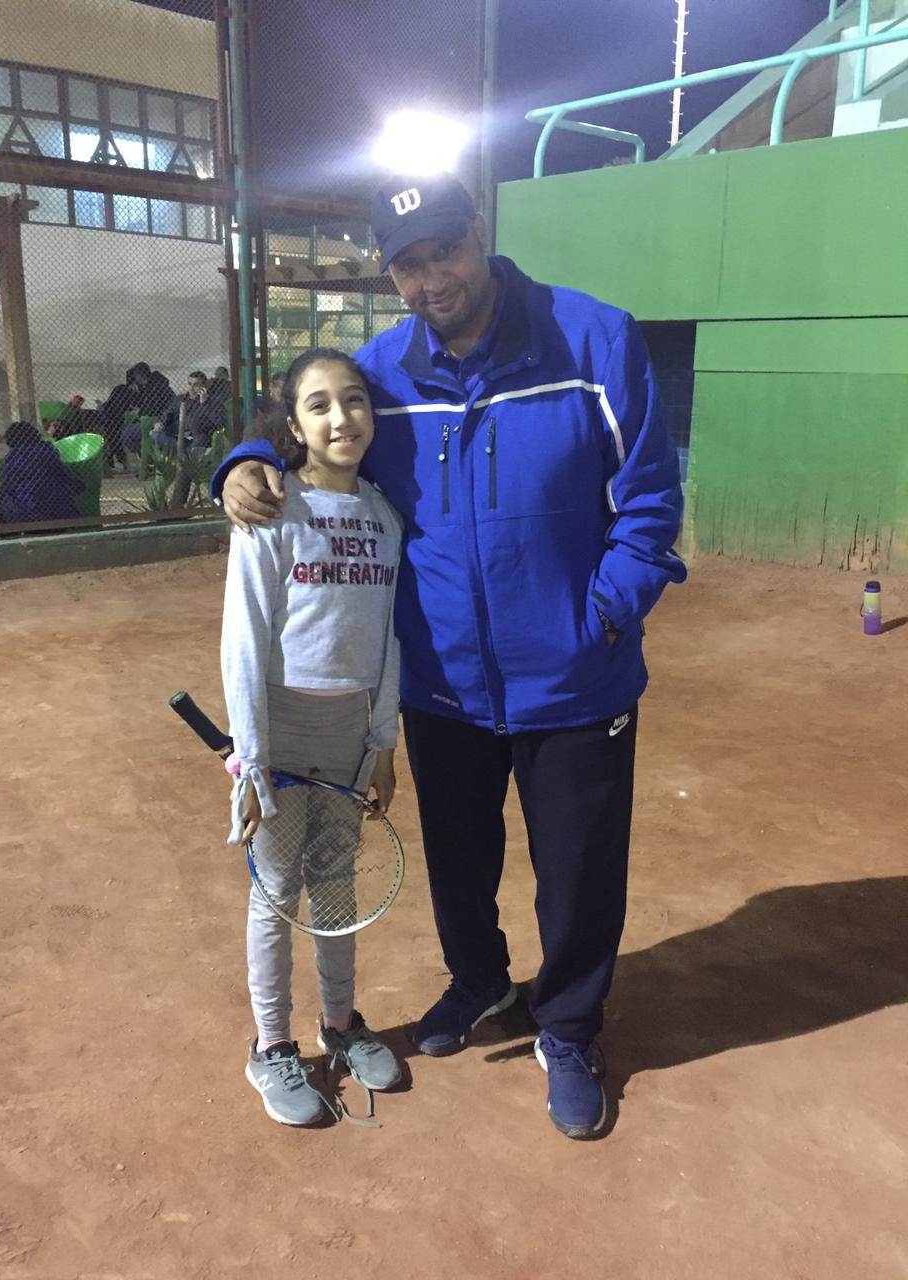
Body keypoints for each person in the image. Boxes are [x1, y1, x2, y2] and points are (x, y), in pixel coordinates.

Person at [213, 173, 687, 1140]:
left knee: (579, 871)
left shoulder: (594, 341)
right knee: (460, 865)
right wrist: (240, 465)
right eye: (408, 266)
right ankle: (480, 980)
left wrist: (602, 613)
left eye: (446, 251)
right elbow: (304, 433)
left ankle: (568, 1027)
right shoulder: (382, 374)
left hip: (575, 675)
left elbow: (649, 500)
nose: (433, 279)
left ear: (480, 233)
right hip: (442, 684)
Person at [221, 347, 403, 1126]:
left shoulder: (385, 517)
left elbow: (388, 641)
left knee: (334, 886)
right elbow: (244, 641)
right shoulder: (271, 510)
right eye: (320, 404)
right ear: (292, 425)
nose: (341, 418)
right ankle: (271, 1046)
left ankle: (339, 1022)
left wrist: (382, 743)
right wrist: (252, 762)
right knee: (276, 896)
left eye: (354, 400)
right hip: (281, 733)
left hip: (348, 736)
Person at [0, 421, 84, 525]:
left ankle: (6, 531)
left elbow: (8, 487)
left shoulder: (11, 458)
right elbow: (64, 474)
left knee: (1, 495)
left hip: (28, 517)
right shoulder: (47, 449)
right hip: (60, 514)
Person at [154, 371, 226, 454]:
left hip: (198, 439)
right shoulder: (181, 399)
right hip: (178, 436)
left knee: (197, 440)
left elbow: (220, 423)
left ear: (204, 386)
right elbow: (168, 412)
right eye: (189, 384)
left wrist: (204, 403)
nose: (191, 388)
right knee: (156, 435)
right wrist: (161, 423)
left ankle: (187, 453)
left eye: (196, 385)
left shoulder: (214, 401)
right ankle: (186, 453)